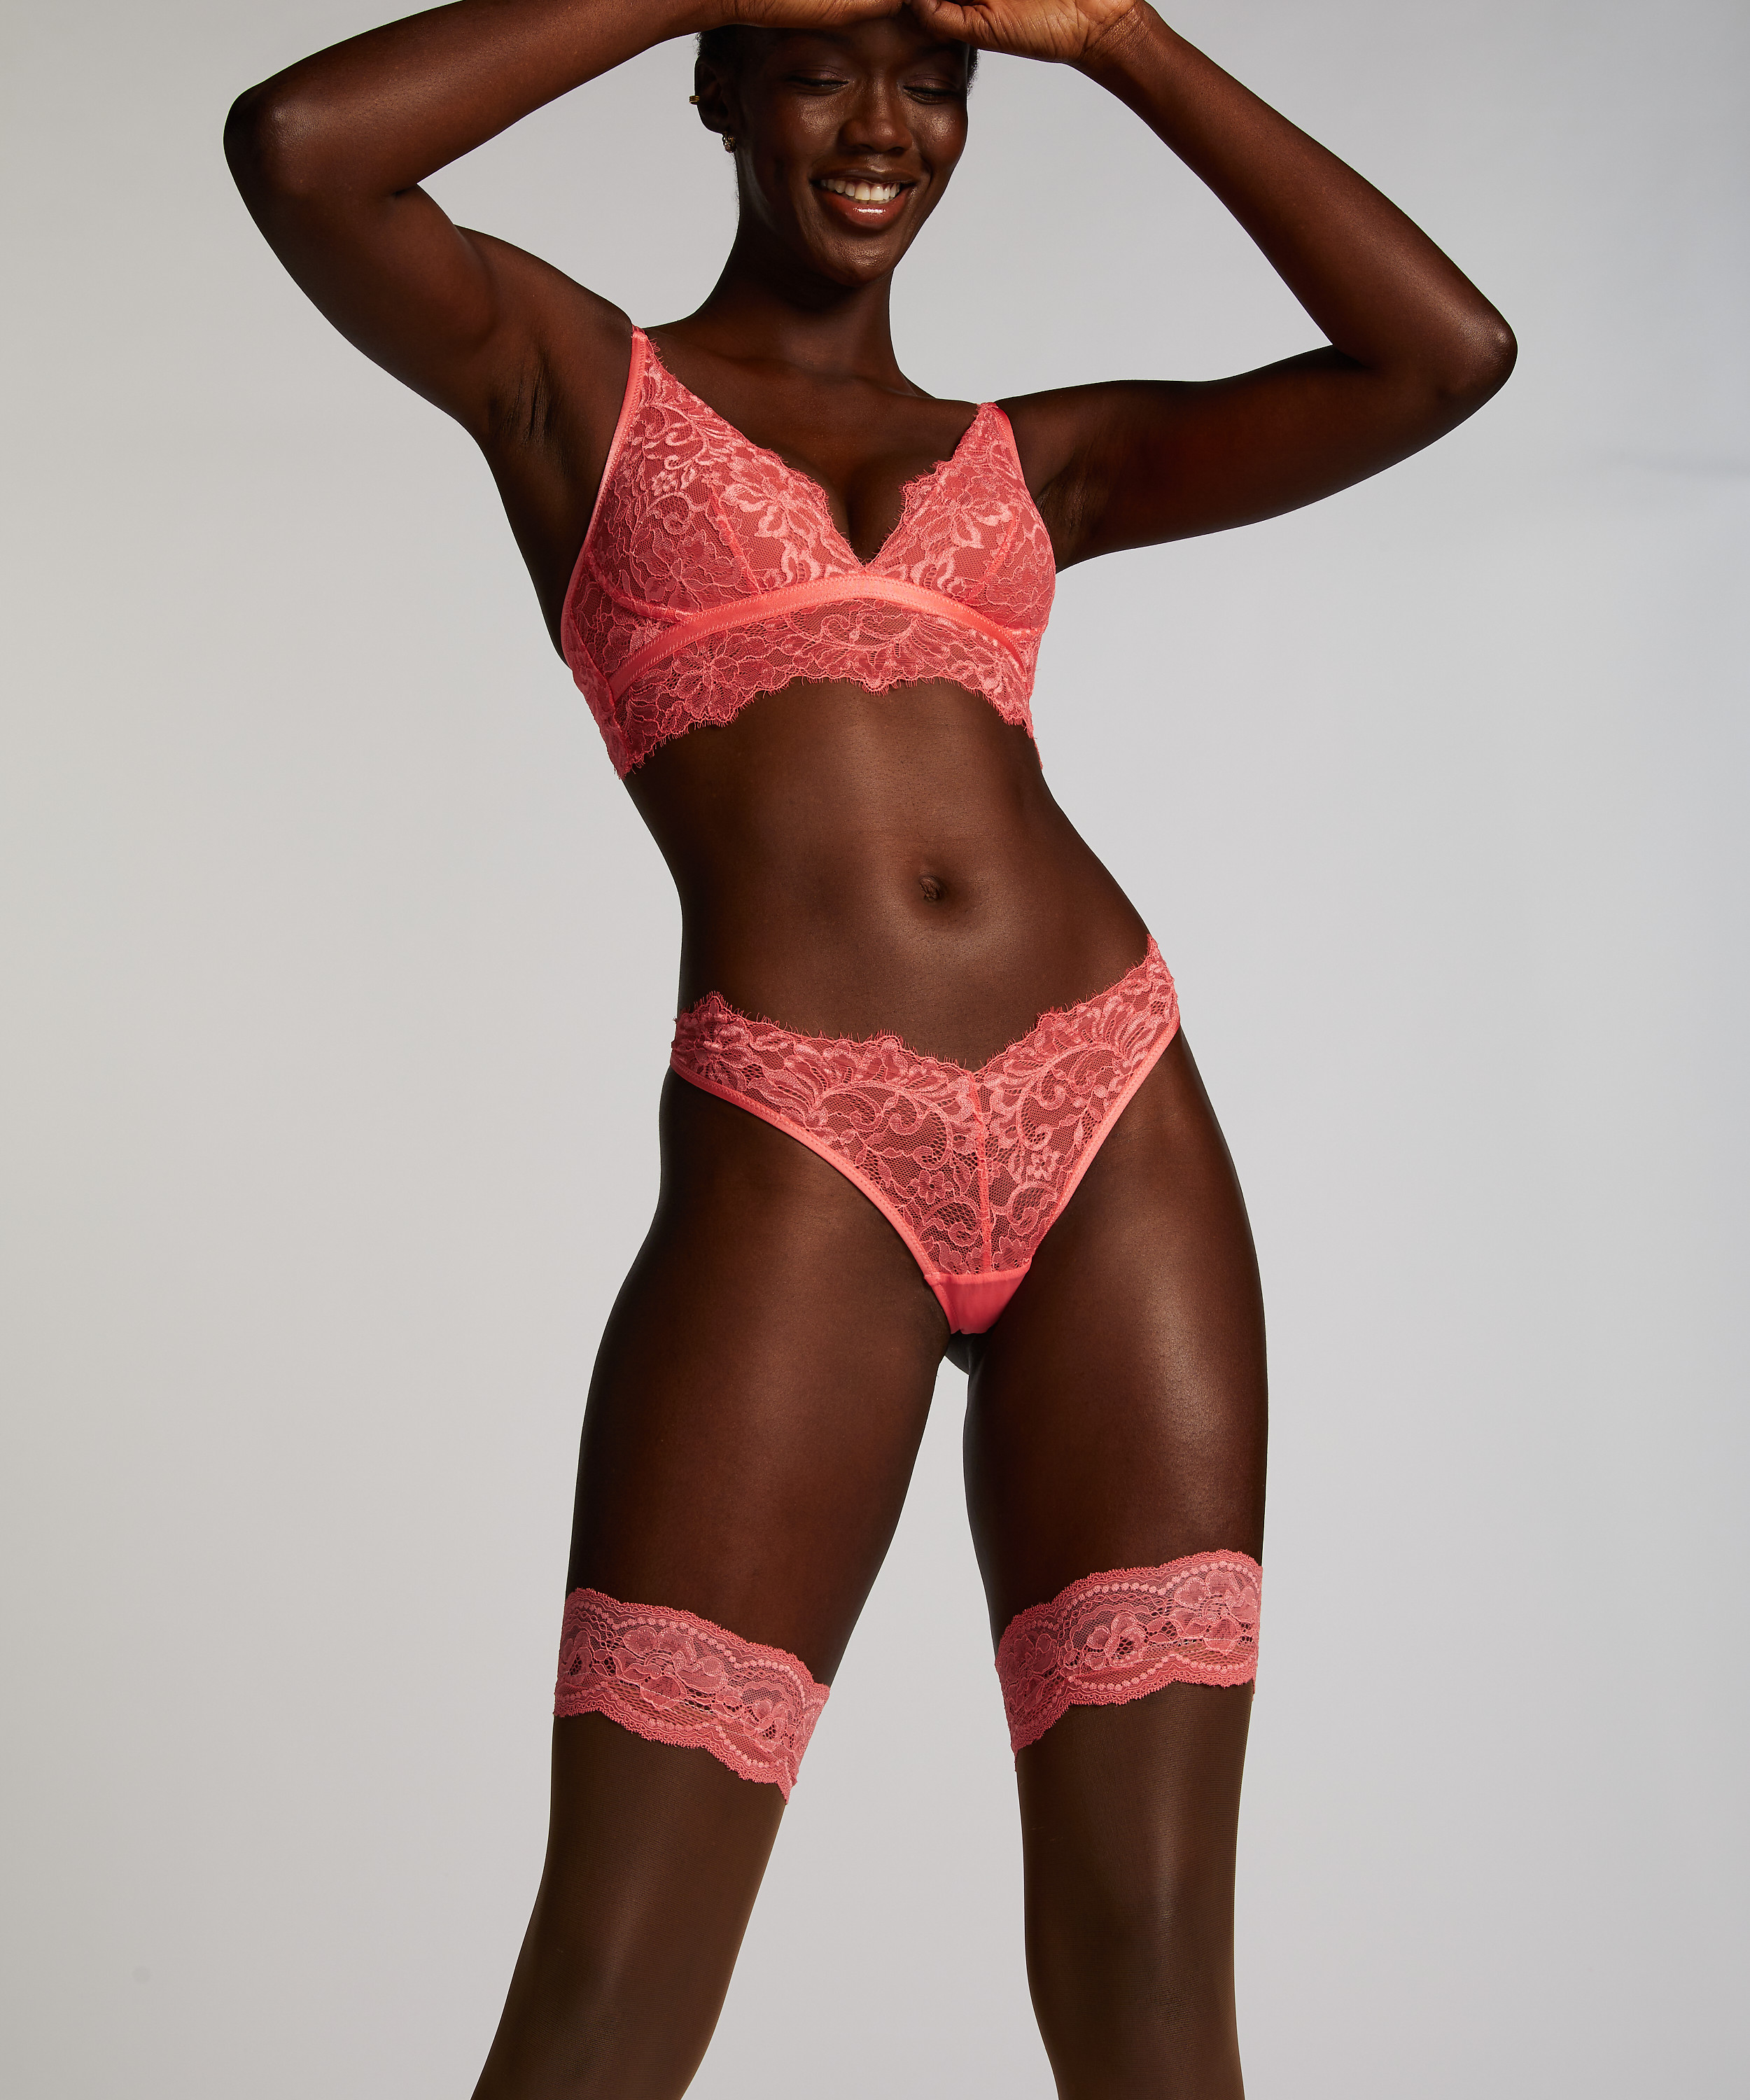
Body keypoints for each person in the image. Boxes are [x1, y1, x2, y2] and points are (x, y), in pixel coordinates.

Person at [226, 2, 1511, 2092]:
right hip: (800, 1145)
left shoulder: (1036, 460)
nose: (882, 123)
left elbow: (1442, 358)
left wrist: (1122, 40)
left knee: (1155, 1967)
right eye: (821, 63)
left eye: (933, 76)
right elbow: (300, 147)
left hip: (1116, 1122)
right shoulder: (576, 387)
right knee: (615, 1972)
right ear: (719, 87)